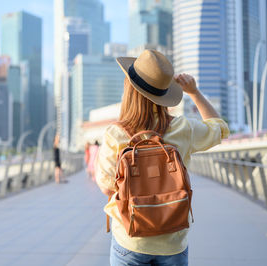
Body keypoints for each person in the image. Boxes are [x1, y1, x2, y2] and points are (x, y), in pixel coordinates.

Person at [95, 50, 230, 266]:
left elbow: (106, 185)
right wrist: (194, 92)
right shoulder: (183, 128)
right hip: (173, 240)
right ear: (163, 95)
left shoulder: (116, 133)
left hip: (130, 239)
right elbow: (220, 129)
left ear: (129, 89)